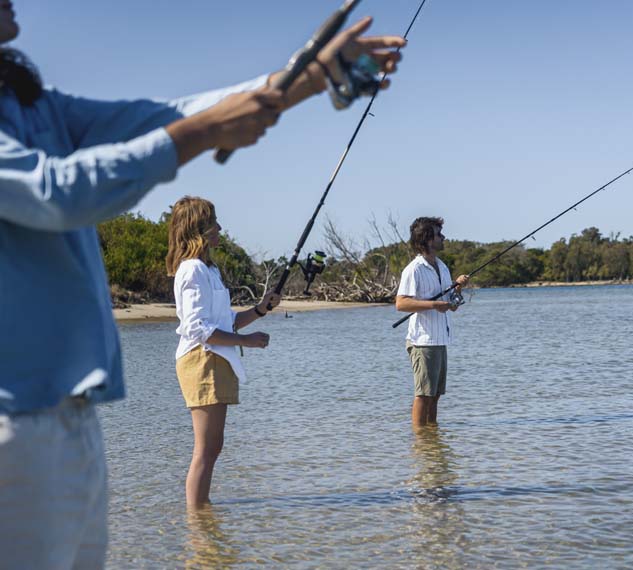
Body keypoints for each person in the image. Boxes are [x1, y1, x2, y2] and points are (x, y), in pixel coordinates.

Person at [0, 1, 405, 566]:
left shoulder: (33, 104)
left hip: (74, 408)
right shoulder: (190, 267)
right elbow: (61, 192)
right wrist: (203, 132)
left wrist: (304, 79)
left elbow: (166, 113)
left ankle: (204, 546)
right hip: (13, 418)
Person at [167, 197, 276, 508]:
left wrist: (260, 310)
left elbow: (226, 321)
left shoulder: (208, 270)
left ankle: (203, 514)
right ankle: (197, 519)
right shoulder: (192, 270)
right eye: (213, 223)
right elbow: (197, 329)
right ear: (198, 229)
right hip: (202, 361)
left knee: (214, 446)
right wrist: (247, 341)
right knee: (205, 448)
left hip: (217, 359)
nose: (219, 228)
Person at [395, 217, 469, 427]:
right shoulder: (414, 269)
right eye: (438, 234)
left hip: (440, 338)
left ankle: (432, 436)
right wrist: (434, 305)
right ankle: (420, 439)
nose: (443, 237)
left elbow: (451, 304)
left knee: (435, 394)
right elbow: (401, 304)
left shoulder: (442, 267)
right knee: (423, 394)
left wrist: (457, 289)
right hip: (422, 340)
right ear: (428, 240)